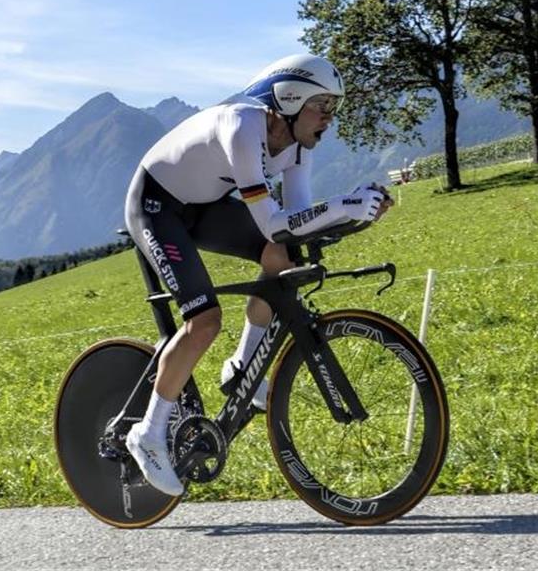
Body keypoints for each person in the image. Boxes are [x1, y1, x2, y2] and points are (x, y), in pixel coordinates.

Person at [122, 53, 393, 496]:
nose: (330, 117)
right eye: (322, 105)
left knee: (281, 253)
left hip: (204, 206)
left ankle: (245, 365)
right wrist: (342, 204)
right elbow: (273, 220)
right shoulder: (243, 128)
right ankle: (149, 435)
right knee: (205, 320)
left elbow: (295, 220)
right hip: (156, 207)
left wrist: (356, 213)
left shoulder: (298, 148)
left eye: (334, 107)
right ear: (289, 99)